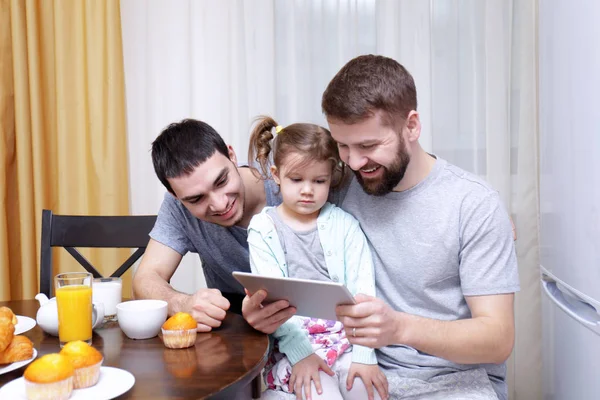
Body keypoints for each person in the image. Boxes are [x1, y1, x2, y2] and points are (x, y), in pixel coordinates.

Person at [243, 55, 519, 400]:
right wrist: (258, 313)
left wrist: (400, 328)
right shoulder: (340, 183)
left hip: (450, 383)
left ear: (412, 126)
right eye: (343, 146)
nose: (355, 162)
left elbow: (497, 340)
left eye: (369, 146)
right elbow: (269, 190)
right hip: (354, 368)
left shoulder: (473, 205)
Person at [246, 117, 388, 400]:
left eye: (319, 180)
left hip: (347, 338)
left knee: (366, 390)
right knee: (321, 392)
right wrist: (301, 355)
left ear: (331, 178)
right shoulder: (263, 228)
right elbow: (273, 300)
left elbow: (364, 291)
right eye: (296, 179)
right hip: (296, 341)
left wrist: (364, 354)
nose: (308, 189)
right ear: (276, 175)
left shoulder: (345, 225)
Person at [132, 119, 299, 331]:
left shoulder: (294, 183)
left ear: (232, 156)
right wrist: (182, 304)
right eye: (196, 199)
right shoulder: (177, 208)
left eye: (221, 182)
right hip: (238, 334)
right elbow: (144, 280)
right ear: (175, 196)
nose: (220, 204)